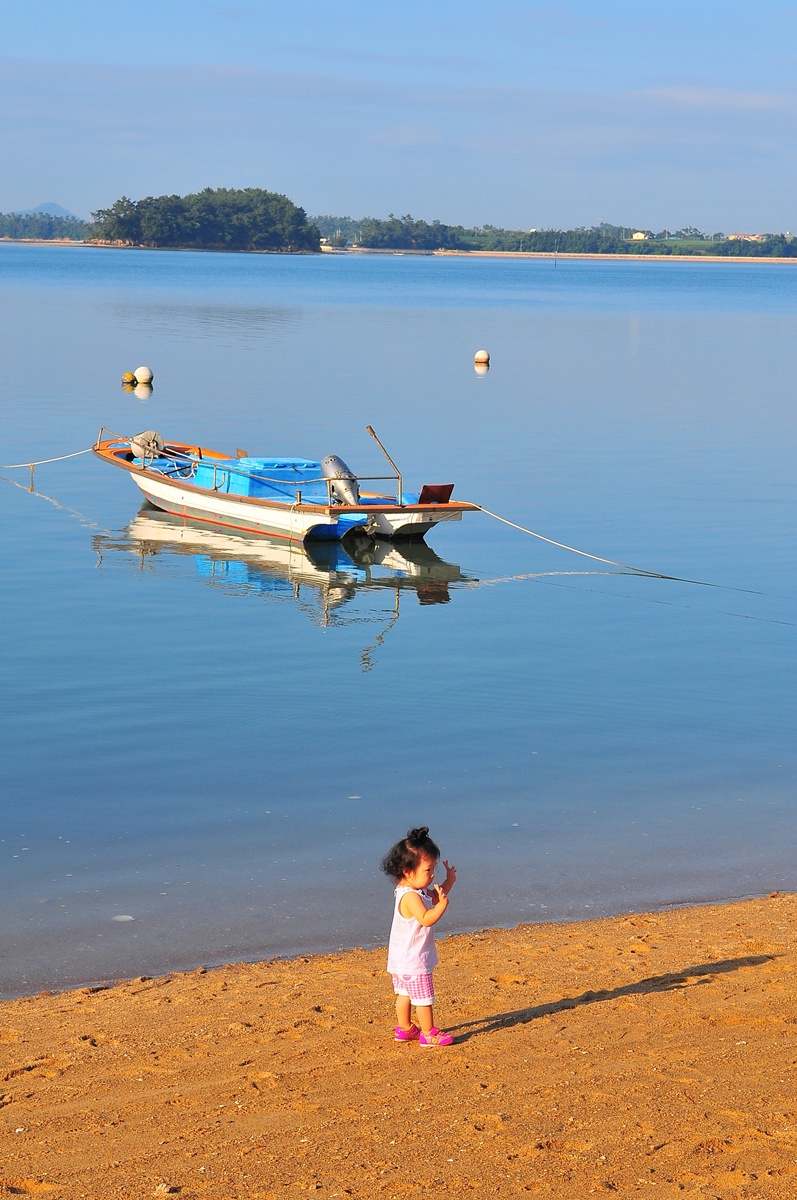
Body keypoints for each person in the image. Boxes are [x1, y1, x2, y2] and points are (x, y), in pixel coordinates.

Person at [380, 826, 457, 1047]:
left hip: (401, 960)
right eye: (428, 870)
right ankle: (428, 1033)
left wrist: (449, 881)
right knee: (423, 999)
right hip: (414, 960)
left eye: (433, 869)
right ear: (407, 871)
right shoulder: (411, 897)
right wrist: (442, 908)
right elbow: (426, 918)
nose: (432, 875)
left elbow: (436, 897)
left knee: (404, 994)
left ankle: (404, 1029)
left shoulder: (415, 890)